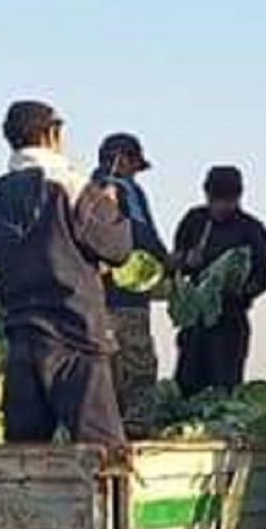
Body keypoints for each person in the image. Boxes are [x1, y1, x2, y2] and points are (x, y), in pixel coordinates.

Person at [0, 100, 133, 448]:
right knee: (104, 455)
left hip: (21, 342)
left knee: (25, 458)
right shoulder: (72, 186)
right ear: (52, 133)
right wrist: (110, 206)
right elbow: (118, 248)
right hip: (75, 338)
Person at [170, 164, 266, 395]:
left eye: (229, 200)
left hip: (230, 322)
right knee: (186, 385)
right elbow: (173, 266)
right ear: (207, 195)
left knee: (224, 388)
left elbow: (261, 280)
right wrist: (186, 261)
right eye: (216, 199)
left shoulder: (253, 230)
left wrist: (233, 288)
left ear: (239, 197)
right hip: (194, 321)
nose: (222, 206)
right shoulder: (194, 220)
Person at [92, 132, 170, 428]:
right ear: (121, 160)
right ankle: (136, 427)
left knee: (107, 365)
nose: (135, 174)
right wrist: (166, 259)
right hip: (127, 295)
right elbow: (140, 232)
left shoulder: (82, 190)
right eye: (134, 165)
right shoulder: (122, 189)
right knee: (138, 366)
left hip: (96, 296)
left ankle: (106, 425)